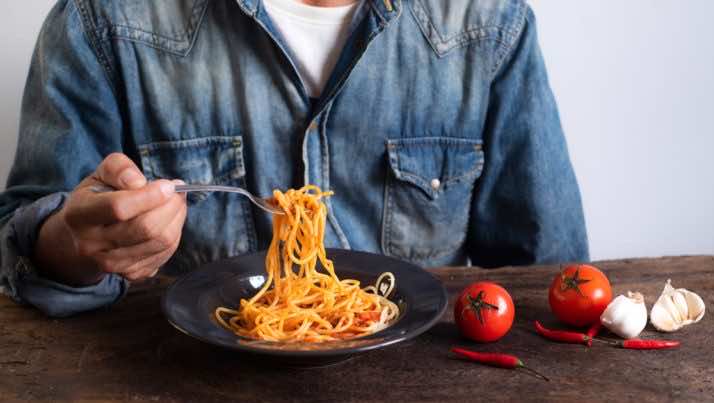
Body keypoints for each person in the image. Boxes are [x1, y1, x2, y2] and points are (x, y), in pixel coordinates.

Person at [0, 0, 588, 317]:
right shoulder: (104, 19)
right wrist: (77, 246)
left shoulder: (488, 22)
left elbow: (552, 283)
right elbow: (24, 248)